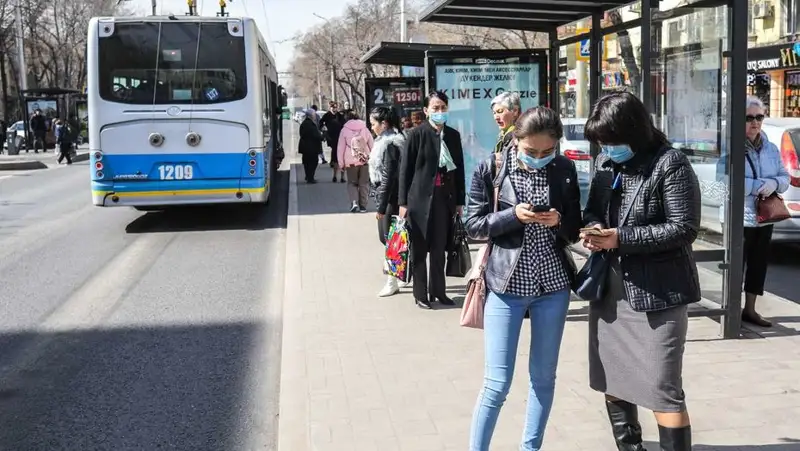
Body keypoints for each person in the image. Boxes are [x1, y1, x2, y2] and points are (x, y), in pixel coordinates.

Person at [581, 91, 701, 451]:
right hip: (611, 290)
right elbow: (594, 210)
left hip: (659, 292)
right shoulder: (606, 163)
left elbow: (683, 228)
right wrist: (594, 230)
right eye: (601, 141)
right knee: (613, 376)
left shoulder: (670, 163)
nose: (606, 147)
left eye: (611, 139)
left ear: (633, 131)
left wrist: (621, 238)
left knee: (664, 387)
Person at [464, 107, 582, 451]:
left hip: (553, 287)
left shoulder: (564, 169)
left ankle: (530, 448)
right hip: (506, 285)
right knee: (497, 383)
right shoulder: (492, 168)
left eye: (548, 151)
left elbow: (574, 227)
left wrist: (559, 221)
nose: (540, 159)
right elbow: (472, 226)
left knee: (543, 378)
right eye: (531, 151)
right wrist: (512, 216)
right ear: (516, 140)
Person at [398, 90, 466, 309]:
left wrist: (459, 201)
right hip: (419, 201)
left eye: (443, 108)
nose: (440, 111)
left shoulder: (452, 135)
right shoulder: (416, 134)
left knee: (439, 248)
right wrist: (403, 203)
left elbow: (459, 170)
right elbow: (405, 170)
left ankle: (439, 291)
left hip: (444, 200)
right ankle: (420, 294)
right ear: (426, 111)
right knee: (419, 249)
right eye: (435, 108)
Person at [740, 96, 790, 327]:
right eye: (749, 118)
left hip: (764, 217)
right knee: (736, 265)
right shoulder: (733, 146)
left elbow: (785, 177)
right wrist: (757, 186)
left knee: (758, 265)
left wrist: (774, 183)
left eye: (759, 117)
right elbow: (725, 180)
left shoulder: (770, 148)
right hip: (740, 217)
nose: (755, 122)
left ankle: (750, 309)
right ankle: (731, 310)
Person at [369, 107, 407, 297]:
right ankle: (400, 276)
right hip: (390, 197)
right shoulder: (386, 141)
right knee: (391, 238)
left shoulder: (390, 144)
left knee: (390, 239)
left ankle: (392, 281)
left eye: (373, 124)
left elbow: (388, 177)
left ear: (384, 124)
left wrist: (381, 207)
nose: (372, 127)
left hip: (391, 198)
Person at [338, 110, 374, 212]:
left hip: (350, 162)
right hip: (364, 160)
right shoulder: (365, 129)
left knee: (352, 183)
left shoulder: (344, 130)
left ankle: (354, 203)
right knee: (364, 183)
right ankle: (363, 206)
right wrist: (373, 159)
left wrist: (341, 163)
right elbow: (372, 144)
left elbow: (340, 148)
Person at [320, 101, 346, 183]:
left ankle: (342, 177)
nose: (334, 109)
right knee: (335, 157)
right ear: (330, 108)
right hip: (331, 137)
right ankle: (334, 176)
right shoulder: (327, 115)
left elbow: (344, 124)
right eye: (333, 107)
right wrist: (323, 129)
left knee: (342, 158)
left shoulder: (340, 116)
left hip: (341, 138)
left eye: (335, 107)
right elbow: (321, 123)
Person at [298, 109, 323, 183]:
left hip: (305, 146)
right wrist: (323, 136)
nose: (315, 116)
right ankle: (310, 178)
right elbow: (316, 135)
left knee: (306, 162)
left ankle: (308, 176)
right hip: (311, 147)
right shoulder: (310, 124)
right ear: (311, 115)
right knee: (313, 162)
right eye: (314, 114)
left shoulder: (304, 123)